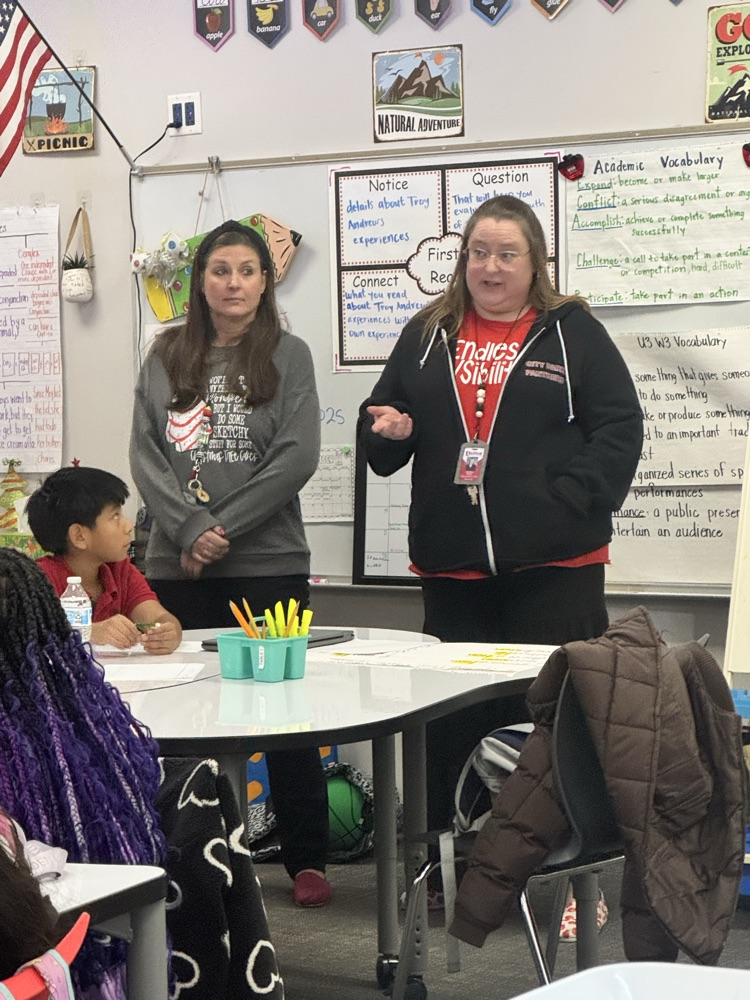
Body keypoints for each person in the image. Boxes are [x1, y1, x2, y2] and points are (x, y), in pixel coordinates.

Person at [358, 194, 643, 930]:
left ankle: (578, 882)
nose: (490, 267)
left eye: (506, 253)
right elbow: (381, 430)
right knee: (454, 729)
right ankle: (449, 874)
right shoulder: (428, 333)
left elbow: (620, 426)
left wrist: (567, 501)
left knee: (554, 725)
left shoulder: (571, 332)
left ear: (534, 261)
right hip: (454, 573)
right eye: (478, 252)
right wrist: (387, 431)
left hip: (556, 569)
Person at [129, 219, 331, 908]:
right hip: (175, 566)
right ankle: (189, 852)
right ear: (201, 282)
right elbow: (145, 454)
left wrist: (218, 529)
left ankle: (307, 857)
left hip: (268, 565)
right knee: (185, 717)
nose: (234, 283)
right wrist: (189, 528)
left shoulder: (290, 354)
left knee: (285, 717)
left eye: (247, 270)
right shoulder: (164, 355)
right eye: (221, 271)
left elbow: (296, 457)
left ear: (265, 281)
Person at [0, 548, 285, 1000]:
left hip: (56, 959)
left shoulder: (27, 756)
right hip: (106, 952)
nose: (128, 528)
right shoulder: (89, 725)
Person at [26, 466, 182, 654]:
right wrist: (90, 632)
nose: (128, 526)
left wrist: (168, 633)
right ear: (79, 536)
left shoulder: (120, 570)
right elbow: (28, 639)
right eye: (115, 516)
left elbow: (159, 616)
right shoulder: (39, 580)